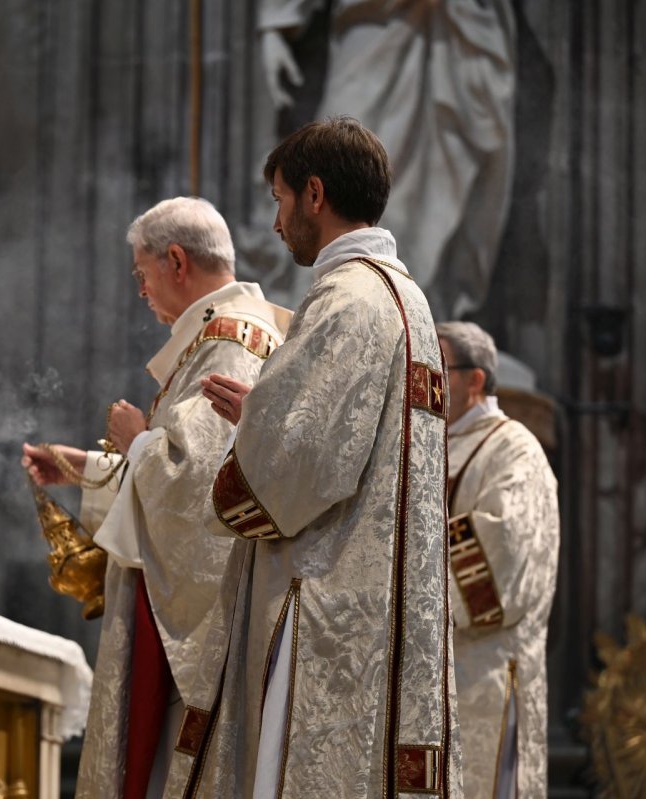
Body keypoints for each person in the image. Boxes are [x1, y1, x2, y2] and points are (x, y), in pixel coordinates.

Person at [184, 117, 460, 796]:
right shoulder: (406, 298)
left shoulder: (346, 298)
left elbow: (296, 467)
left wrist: (248, 441)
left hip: (327, 611)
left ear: (314, 193)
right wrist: (265, 411)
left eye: (279, 200)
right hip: (376, 610)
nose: (277, 224)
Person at [22, 197, 291, 799]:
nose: (140, 289)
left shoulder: (232, 340)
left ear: (176, 260)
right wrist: (85, 466)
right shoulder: (220, 333)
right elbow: (180, 466)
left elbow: (201, 489)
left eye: (142, 273)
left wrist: (137, 438)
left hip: (195, 609)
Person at [258, 0, 516, 319]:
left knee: (432, 183)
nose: (277, 224)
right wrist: (277, 22)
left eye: (280, 201)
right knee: (347, 155)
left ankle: (440, 299)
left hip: (453, 25)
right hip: (372, 20)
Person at [436, 321, 559, 798]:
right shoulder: (426, 445)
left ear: (476, 380)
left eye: (437, 369)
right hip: (429, 674)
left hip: (485, 674)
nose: (423, 382)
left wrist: (405, 566)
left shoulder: (515, 451)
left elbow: (501, 549)